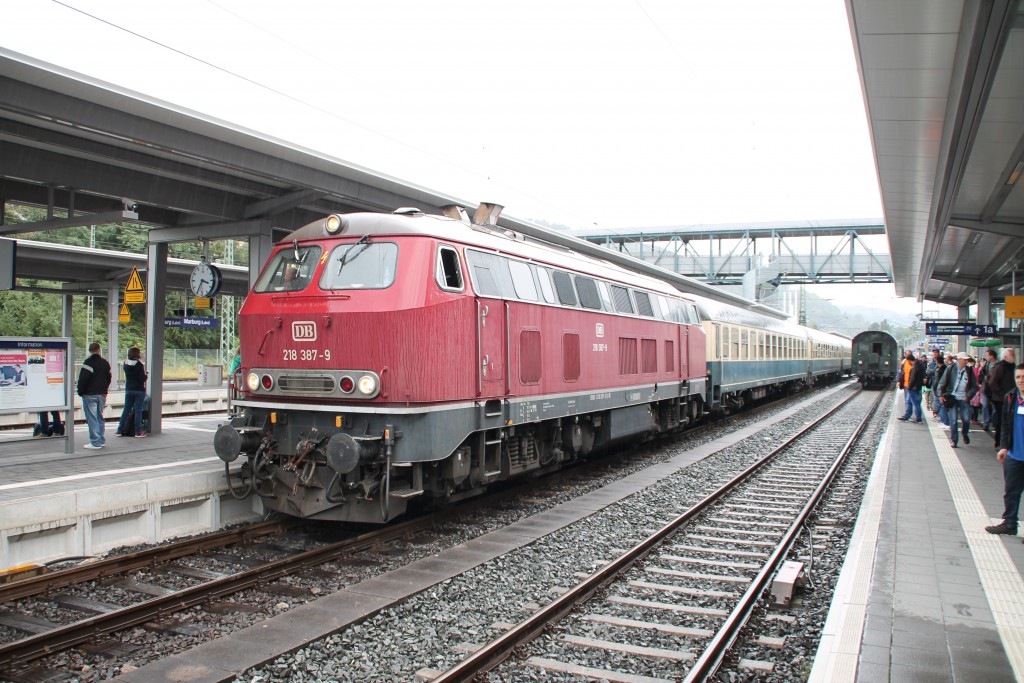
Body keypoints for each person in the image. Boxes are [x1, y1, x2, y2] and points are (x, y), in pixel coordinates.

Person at [985, 363, 1024, 536]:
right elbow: (1006, 425)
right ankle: (1009, 523)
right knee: (1011, 492)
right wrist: (1004, 447)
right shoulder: (1011, 398)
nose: (1021, 381)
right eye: (1018, 377)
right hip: (1015, 455)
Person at [937, 351, 978, 448]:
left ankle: (965, 433)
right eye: (964, 359)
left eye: (967, 359)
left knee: (966, 419)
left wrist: (968, 396)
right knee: (953, 420)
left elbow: (974, 386)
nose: (966, 361)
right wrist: (940, 395)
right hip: (952, 398)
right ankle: (954, 440)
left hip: (964, 398)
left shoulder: (969, 370)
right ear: (959, 360)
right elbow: (942, 382)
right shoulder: (950, 369)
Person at [77, 342, 111, 449]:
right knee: (99, 417)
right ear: (99, 350)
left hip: (90, 394)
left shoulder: (88, 363)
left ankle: (95, 442)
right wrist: (104, 389)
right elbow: (109, 378)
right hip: (102, 394)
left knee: (92, 418)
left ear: (89, 350)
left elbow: (83, 379)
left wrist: (80, 391)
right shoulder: (105, 363)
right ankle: (101, 440)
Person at [987, 348, 1017, 450]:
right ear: (1005, 356)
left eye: (1013, 354)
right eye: (1011, 354)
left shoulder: (1014, 367)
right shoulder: (1000, 367)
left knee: (1011, 420)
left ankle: (1009, 442)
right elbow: (992, 382)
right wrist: (1003, 394)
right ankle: (999, 442)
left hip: (1012, 398)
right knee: (1002, 421)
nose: (1014, 355)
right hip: (1000, 399)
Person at [116, 347, 148, 438]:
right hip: (138, 390)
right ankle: (137, 432)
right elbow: (142, 378)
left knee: (126, 410)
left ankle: (119, 430)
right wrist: (146, 376)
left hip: (129, 389)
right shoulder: (139, 364)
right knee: (138, 411)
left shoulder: (125, 363)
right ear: (137, 354)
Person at [896, 351, 925, 423]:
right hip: (916, 386)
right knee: (909, 401)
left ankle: (918, 418)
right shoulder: (920, 364)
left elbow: (912, 377)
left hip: (913, 387)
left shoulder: (915, 366)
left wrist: (909, 386)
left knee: (915, 403)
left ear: (909, 360)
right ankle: (907, 416)